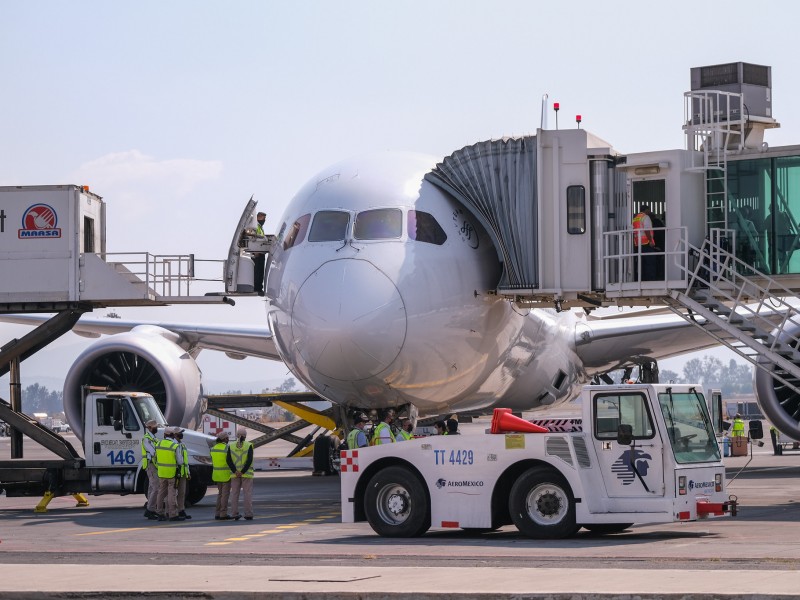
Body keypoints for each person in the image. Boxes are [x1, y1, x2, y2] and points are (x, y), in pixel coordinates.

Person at [155, 426, 183, 521]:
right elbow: (180, 461)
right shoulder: (175, 446)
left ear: (164, 435)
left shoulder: (158, 444)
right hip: (171, 473)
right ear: (173, 435)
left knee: (161, 493)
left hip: (161, 472)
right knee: (172, 494)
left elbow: (155, 458)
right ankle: (172, 514)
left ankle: (159, 513)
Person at [227, 425, 254, 520]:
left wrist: (235, 471)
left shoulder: (231, 446)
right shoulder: (248, 445)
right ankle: (248, 514)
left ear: (237, 435)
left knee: (234, 494)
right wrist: (242, 472)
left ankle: (234, 513)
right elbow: (249, 460)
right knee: (247, 494)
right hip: (246, 474)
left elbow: (228, 460)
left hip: (234, 474)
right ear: (245, 436)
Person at [632, 204, 659, 281]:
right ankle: (650, 280)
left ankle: (642, 279)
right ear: (646, 210)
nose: (650, 211)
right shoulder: (645, 217)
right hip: (646, 243)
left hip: (638, 244)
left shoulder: (635, 218)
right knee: (650, 262)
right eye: (649, 209)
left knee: (641, 263)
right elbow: (647, 230)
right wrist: (650, 241)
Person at [141, 419, 160, 520]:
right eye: (155, 427)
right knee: (156, 487)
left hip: (154, 465)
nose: (156, 428)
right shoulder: (147, 439)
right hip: (151, 465)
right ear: (149, 428)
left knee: (152, 488)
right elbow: (154, 452)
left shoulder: (154, 438)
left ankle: (151, 509)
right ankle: (150, 510)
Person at [211, 431, 232, 520]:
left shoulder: (213, 448)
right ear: (224, 439)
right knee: (225, 495)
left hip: (217, 475)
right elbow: (230, 461)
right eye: (227, 438)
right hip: (225, 475)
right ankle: (223, 513)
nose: (228, 439)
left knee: (220, 494)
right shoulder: (226, 448)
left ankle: (217, 513)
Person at [174, 427, 192, 520]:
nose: (182, 434)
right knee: (174, 493)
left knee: (182, 493)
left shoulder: (182, 445)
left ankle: (181, 510)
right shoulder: (174, 444)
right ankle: (174, 511)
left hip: (183, 472)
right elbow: (179, 460)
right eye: (180, 433)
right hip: (176, 472)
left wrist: (188, 472)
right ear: (176, 435)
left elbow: (185, 460)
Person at [253, 211, 267, 295]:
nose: (264, 219)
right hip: (257, 252)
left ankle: (259, 287)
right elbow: (253, 238)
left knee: (261, 271)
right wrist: (255, 251)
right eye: (263, 217)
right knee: (257, 271)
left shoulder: (260, 227)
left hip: (261, 252)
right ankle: (256, 287)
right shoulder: (256, 226)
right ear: (258, 217)